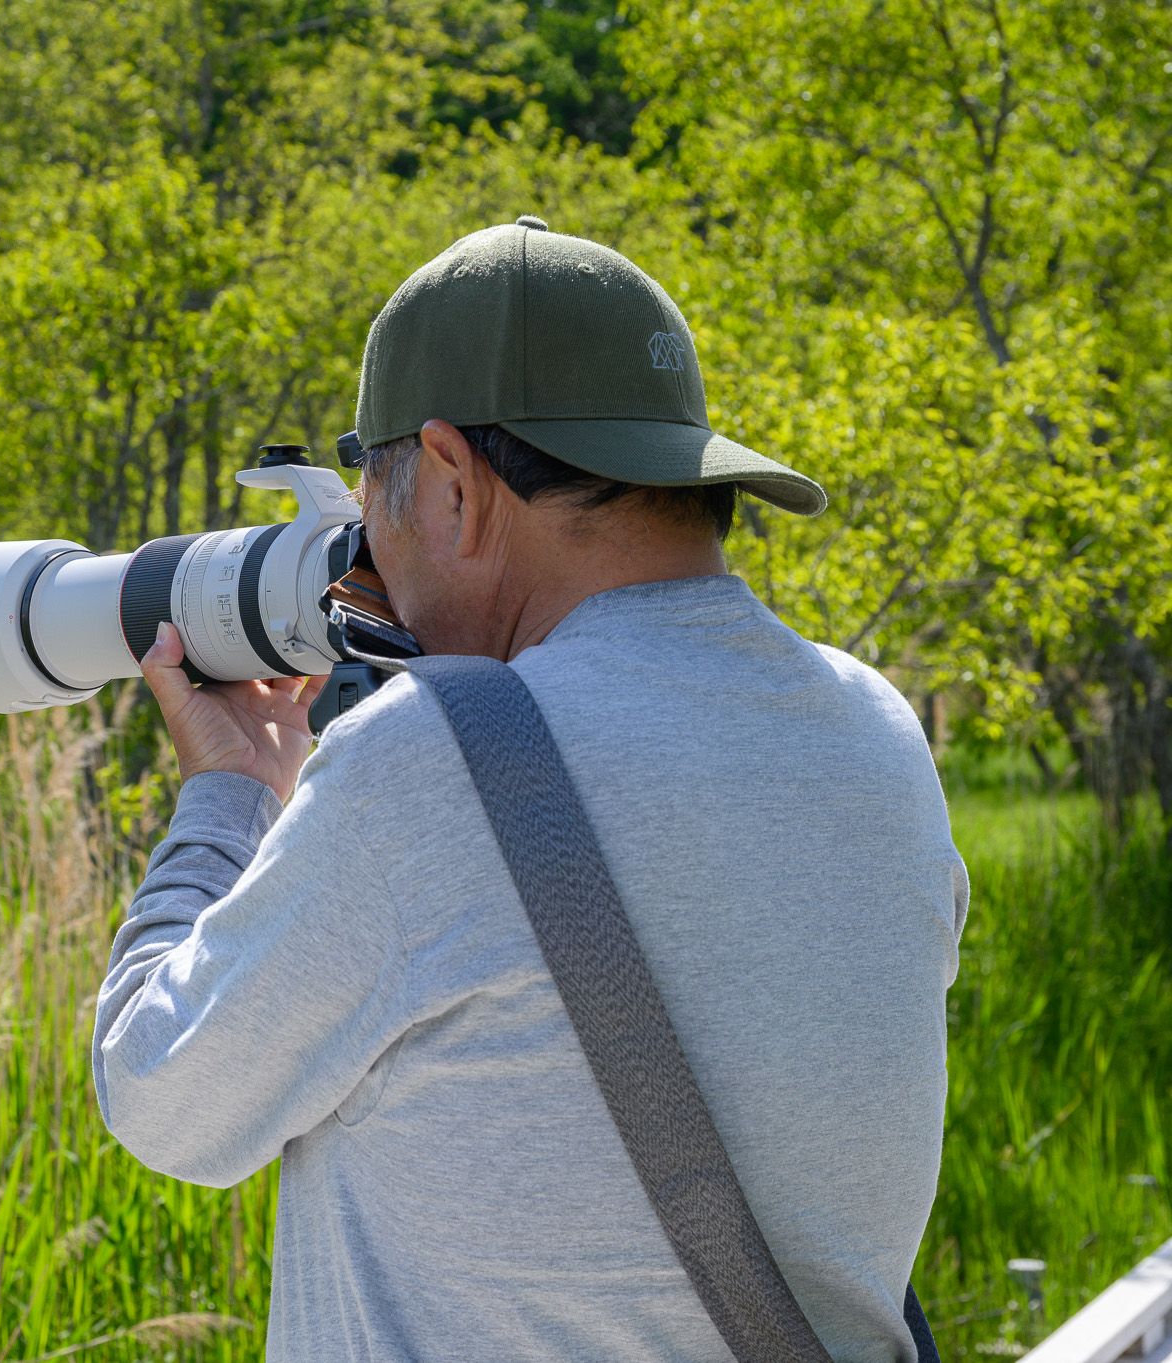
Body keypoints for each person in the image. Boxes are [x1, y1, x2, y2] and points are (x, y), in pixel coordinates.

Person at [92, 215, 970, 1362]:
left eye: (375, 518)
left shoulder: (429, 762)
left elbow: (163, 1102)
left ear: (452, 484)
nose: (373, 578)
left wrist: (229, 794)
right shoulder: (873, 728)